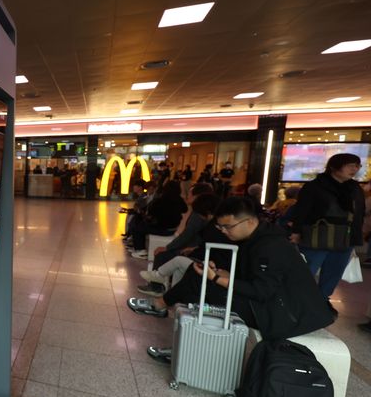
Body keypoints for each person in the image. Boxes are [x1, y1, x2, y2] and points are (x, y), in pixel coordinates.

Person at [130, 197, 334, 361]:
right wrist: (222, 274)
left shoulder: (270, 247)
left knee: (202, 288)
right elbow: (253, 278)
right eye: (221, 227)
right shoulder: (257, 238)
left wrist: (217, 278)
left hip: (284, 315)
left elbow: (261, 292)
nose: (225, 232)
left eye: (229, 226)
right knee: (197, 274)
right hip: (273, 303)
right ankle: (181, 342)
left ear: (250, 221)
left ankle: (182, 344)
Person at [289, 153, 365, 317]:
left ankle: (322, 300)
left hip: (345, 238)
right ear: (334, 167)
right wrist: (296, 231)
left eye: (357, 165)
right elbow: (302, 210)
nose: (355, 169)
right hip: (317, 236)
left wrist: (356, 237)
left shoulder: (354, 188)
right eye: (350, 165)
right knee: (307, 271)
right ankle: (298, 301)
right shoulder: (315, 186)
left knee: (334, 272)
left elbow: (359, 214)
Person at [129, 181, 188, 258]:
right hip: (173, 229)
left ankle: (140, 250)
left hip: (162, 229)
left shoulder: (162, 199)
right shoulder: (179, 200)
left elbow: (151, 211)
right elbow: (185, 210)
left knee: (138, 227)